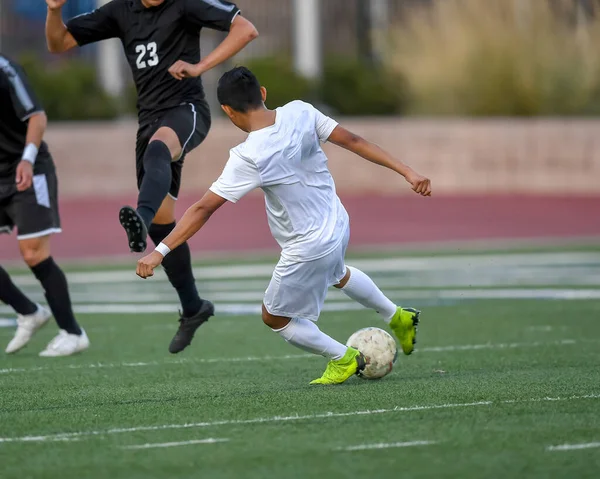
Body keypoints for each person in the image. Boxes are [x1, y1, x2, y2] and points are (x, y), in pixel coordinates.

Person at [136, 67, 432, 384]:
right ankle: (396, 315)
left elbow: (203, 208)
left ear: (227, 111)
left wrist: (160, 252)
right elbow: (353, 140)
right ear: (262, 93)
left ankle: (343, 358)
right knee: (338, 272)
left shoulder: (248, 155)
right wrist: (407, 172)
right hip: (337, 222)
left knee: (275, 317)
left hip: (308, 245)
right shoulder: (301, 110)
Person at [45, 0, 258, 353]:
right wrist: (54, 11)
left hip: (187, 110)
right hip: (149, 120)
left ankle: (138, 220)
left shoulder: (185, 4)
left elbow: (246, 28)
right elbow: (59, 44)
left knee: (158, 153)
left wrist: (200, 66)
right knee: (164, 222)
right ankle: (193, 306)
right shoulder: (119, 11)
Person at [0, 54, 89, 357]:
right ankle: (28, 311)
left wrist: (26, 158)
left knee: (33, 253)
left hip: (27, 168)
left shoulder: (6, 69)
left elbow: (37, 117)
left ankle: (73, 332)